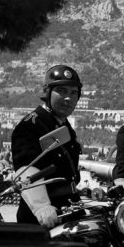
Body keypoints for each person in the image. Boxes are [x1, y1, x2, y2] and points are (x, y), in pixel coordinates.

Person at [11, 65, 82, 228]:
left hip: (69, 207)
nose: (68, 98)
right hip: (43, 218)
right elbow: (26, 169)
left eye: (73, 93)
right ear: (47, 93)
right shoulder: (31, 125)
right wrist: (42, 206)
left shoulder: (62, 124)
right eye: (62, 91)